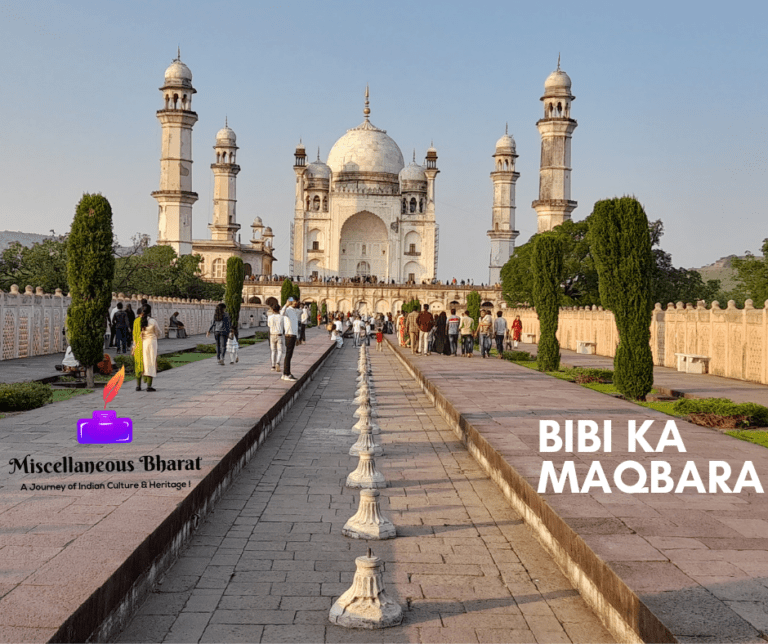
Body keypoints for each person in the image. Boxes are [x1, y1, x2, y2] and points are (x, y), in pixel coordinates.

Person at [134, 304, 161, 392]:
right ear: (149, 311)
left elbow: (134, 335)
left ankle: (138, 386)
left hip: (140, 344)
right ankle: (149, 386)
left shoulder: (137, 321)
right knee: (150, 363)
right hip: (151, 344)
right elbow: (158, 332)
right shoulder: (153, 321)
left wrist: (134, 346)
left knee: (140, 364)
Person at [281, 297, 299, 381]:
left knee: (289, 355)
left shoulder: (293, 311)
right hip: (289, 335)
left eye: (296, 301)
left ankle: (287, 372)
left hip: (293, 335)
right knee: (288, 355)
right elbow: (281, 313)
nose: (296, 303)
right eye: (294, 301)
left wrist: (297, 337)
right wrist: (286, 305)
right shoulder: (287, 310)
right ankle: (286, 374)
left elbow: (295, 325)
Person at [267, 303, 284, 372]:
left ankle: (273, 366)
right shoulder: (281, 317)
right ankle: (278, 362)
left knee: (273, 351)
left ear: (273, 310)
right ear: (279, 309)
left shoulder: (270, 317)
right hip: (279, 335)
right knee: (280, 351)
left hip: (272, 335)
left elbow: (269, 325)